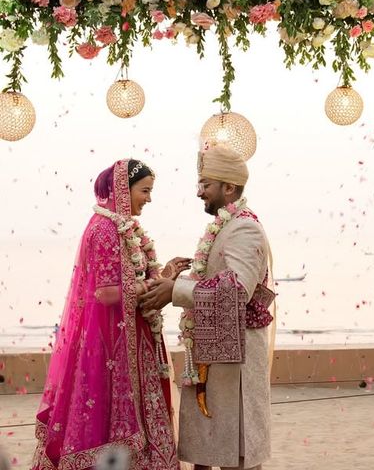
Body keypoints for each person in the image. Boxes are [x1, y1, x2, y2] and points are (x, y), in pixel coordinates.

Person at [32, 158, 191, 470]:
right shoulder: (106, 229)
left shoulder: (121, 226)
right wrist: (154, 286)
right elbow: (106, 293)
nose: (149, 198)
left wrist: (165, 275)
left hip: (132, 337)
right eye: (144, 191)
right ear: (123, 188)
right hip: (114, 345)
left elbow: (129, 280)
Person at [141, 145, 275, 470]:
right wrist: (176, 279)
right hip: (214, 351)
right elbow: (219, 280)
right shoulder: (226, 225)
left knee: (235, 452)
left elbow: (236, 289)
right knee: (211, 448)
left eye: (206, 184)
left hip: (236, 359)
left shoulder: (244, 227)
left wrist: (177, 290)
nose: (199, 192)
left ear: (229, 188)